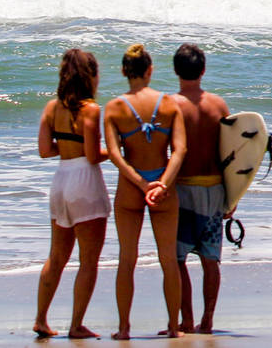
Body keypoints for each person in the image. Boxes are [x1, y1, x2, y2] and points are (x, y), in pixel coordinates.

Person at [103, 44, 187, 339]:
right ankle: (174, 328)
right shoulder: (168, 104)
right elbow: (180, 150)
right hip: (164, 187)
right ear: (150, 70)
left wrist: (141, 184)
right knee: (168, 260)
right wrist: (162, 182)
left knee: (127, 259)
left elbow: (115, 154)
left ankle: (124, 329)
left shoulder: (114, 108)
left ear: (124, 71)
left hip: (130, 187)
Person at [34, 49, 109, 339]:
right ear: (90, 75)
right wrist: (116, 152)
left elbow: (44, 150)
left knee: (57, 256)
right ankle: (76, 325)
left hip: (61, 180)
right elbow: (92, 155)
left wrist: (67, 148)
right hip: (84, 184)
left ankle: (41, 319)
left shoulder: (52, 108)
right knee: (88, 260)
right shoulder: (91, 109)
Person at [170, 43, 230, 334]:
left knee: (177, 259)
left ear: (175, 71)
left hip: (182, 192)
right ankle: (208, 320)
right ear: (203, 70)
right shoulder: (219, 105)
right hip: (215, 191)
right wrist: (233, 196)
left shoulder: (171, 105)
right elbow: (232, 155)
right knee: (210, 259)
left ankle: (186, 320)